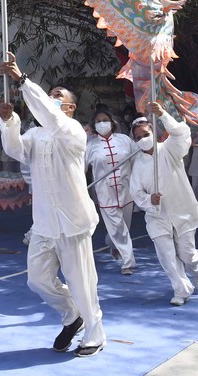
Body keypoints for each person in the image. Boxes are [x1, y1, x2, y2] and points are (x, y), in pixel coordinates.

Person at [0, 53, 106, 358]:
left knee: (82, 281)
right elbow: (14, 149)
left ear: (69, 107)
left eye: (57, 96)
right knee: (38, 279)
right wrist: (9, 122)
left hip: (71, 221)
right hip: (44, 222)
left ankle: (95, 335)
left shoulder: (73, 132)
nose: (51, 98)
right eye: (50, 94)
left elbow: (51, 116)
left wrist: (21, 80)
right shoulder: (35, 134)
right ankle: (73, 315)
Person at [130, 104, 198, 306]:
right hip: (157, 216)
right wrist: (149, 201)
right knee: (166, 256)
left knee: (187, 255)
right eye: (137, 138)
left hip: (181, 211)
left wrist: (162, 114)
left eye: (145, 134)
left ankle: (197, 269)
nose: (142, 139)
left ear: (153, 132)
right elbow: (136, 193)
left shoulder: (169, 149)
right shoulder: (137, 164)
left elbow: (182, 133)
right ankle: (181, 289)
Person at [85, 109, 139, 275]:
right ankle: (128, 263)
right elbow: (80, 170)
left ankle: (113, 244)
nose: (102, 123)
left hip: (127, 190)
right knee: (118, 228)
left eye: (105, 119)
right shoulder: (90, 146)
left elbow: (138, 159)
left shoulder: (125, 140)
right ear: (94, 126)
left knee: (123, 228)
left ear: (112, 121)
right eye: (98, 121)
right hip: (104, 193)